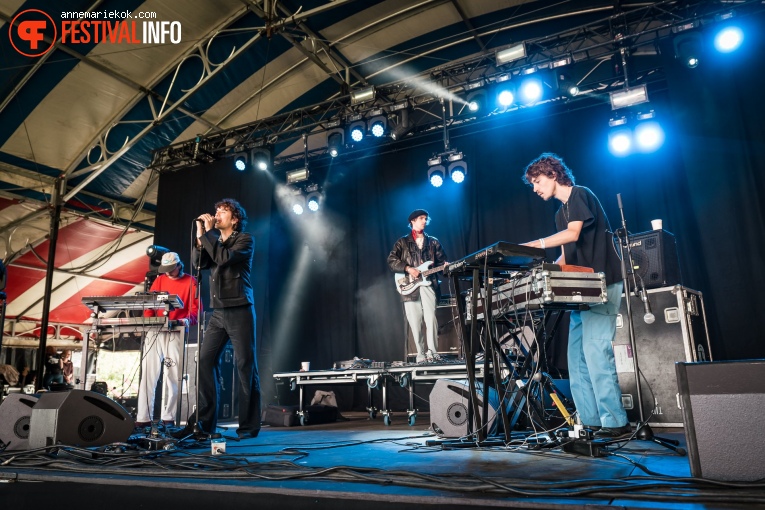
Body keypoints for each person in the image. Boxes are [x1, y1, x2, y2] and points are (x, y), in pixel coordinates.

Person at [521, 153, 630, 438]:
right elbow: (567, 253)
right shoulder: (559, 213)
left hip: (603, 284)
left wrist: (535, 244)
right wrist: (534, 270)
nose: (535, 188)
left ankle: (616, 423)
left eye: (537, 181)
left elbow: (572, 235)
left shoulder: (580, 194)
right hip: (581, 292)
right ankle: (591, 421)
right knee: (577, 360)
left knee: (596, 353)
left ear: (553, 175)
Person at [180, 198, 260, 439]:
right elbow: (198, 263)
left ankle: (248, 427)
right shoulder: (212, 241)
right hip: (218, 312)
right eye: (216, 210)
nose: (216, 214)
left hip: (240, 309)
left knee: (245, 366)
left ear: (234, 219)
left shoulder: (244, 240)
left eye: (222, 211)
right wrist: (199, 235)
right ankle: (204, 424)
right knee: (204, 361)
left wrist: (207, 234)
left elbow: (224, 258)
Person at [136, 252, 199, 428]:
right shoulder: (160, 280)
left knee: (173, 376)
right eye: (166, 270)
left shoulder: (191, 282)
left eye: (171, 269)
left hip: (175, 332)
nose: (168, 273)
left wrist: (187, 321)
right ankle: (143, 417)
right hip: (155, 330)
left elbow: (196, 309)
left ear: (180, 265)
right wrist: (149, 321)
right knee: (148, 374)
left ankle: (169, 417)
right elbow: (150, 304)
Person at [387, 209, 448, 363]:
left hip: (428, 284)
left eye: (426, 218)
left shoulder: (433, 242)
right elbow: (391, 260)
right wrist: (408, 269)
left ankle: (432, 353)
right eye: (421, 218)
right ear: (412, 221)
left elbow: (442, 265)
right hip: (408, 286)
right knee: (415, 321)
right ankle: (420, 355)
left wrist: (447, 267)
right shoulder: (402, 242)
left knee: (431, 319)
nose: (424, 221)